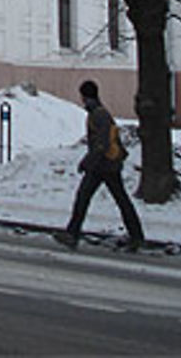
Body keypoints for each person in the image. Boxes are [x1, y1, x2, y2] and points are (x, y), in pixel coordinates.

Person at [54, 79, 145, 251]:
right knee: (104, 198)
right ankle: (136, 236)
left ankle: (73, 234)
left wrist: (87, 162)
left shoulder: (98, 114)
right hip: (106, 165)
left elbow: (102, 143)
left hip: (104, 166)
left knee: (89, 198)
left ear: (85, 96)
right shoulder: (99, 112)